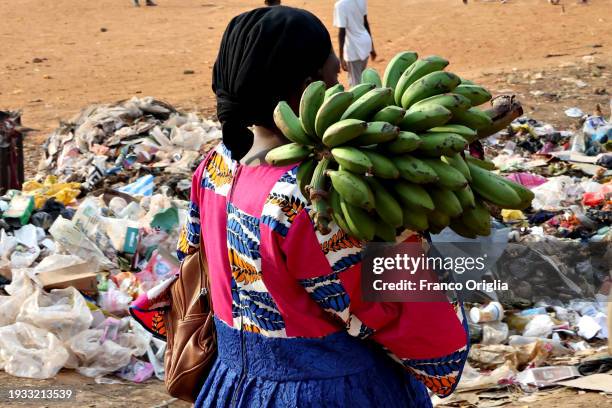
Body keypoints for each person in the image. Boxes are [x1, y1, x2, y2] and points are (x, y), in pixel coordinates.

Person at [131, 6, 468, 408]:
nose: (341, 83)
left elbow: (195, 259)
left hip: (234, 387)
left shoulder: (215, 167)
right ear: (309, 88)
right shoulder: (313, 198)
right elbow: (410, 323)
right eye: (334, 74)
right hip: (332, 393)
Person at [333, 0, 377, 87]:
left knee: (355, 85)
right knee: (361, 79)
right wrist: (372, 47)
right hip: (365, 43)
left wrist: (341, 57)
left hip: (354, 49)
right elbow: (366, 23)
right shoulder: (361, 1)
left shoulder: (340, 5)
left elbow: (342, 32)